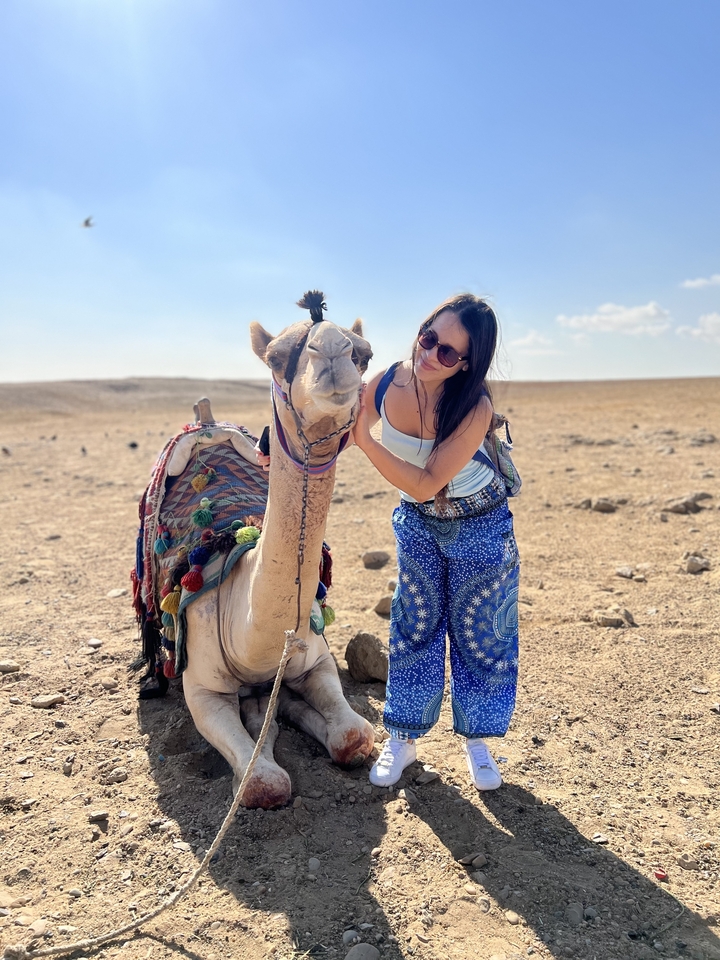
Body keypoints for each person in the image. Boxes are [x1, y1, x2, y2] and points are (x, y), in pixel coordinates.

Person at [351, 294, 520, 791]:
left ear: (465, 363)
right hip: (418, 522)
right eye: (429, 338)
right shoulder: (384, 382)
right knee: (414, 625)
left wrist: (366, 441)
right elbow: (339, 424)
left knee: (482, 633)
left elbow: (426, 481)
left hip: (481, 522)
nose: (430, 355)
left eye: (447, 353)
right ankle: (402, 739)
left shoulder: (474, 406)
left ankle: (477, 743)